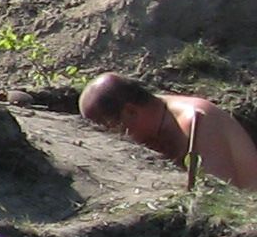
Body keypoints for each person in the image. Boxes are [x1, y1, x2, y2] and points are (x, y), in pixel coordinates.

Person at [79, 73, 257, 187]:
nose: (112, 141)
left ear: (130, 111)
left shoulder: (196, 122)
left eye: (110, 130)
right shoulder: (157, 120)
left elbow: (221, 195)